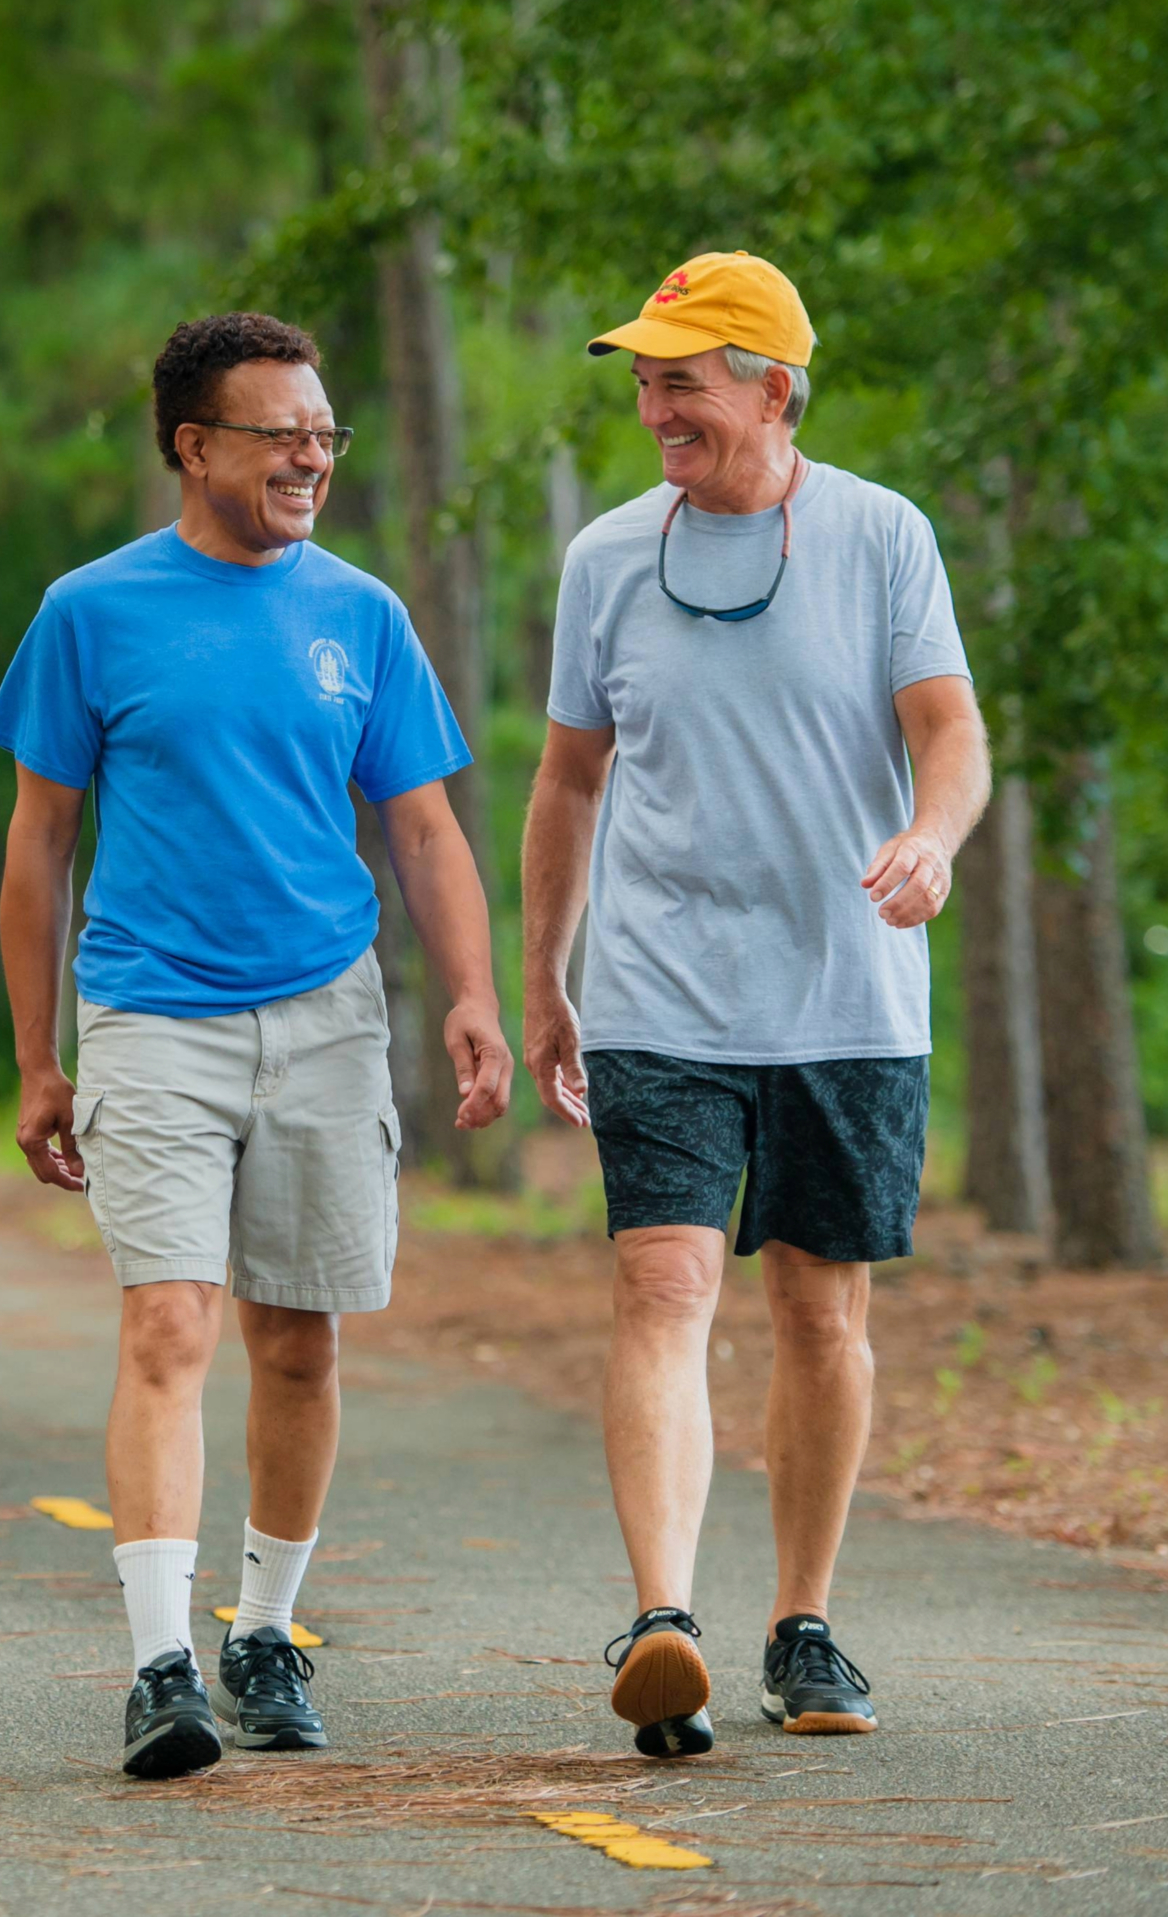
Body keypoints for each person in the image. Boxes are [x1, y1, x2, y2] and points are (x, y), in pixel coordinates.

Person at [0, 312, 513, 1778]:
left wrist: (473, 993)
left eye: (324, 434)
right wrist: (38, 1056)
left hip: (328, 1014)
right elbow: (39, 846)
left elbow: (423, 829)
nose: (310, 457)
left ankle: (266, 1631)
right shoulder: (91, 611)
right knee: (171, 1322)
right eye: (280, 433)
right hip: (151, 1010)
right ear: (192, 445)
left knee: (299, 1336)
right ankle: (161, 1664)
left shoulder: (363, 614)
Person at [521, 252, 990, 1758]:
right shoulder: (606, 557)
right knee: (663, 1283)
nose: (657, 408)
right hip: (659, 988)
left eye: (685, 382)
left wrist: (932, 837)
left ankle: (803, 1622)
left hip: (847, 990)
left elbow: (951, 731)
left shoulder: (880, 535)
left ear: (774, 389)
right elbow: (568, 777)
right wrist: (545, 974)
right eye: (646, 383)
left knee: (818, 1307)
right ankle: (663, 1620)